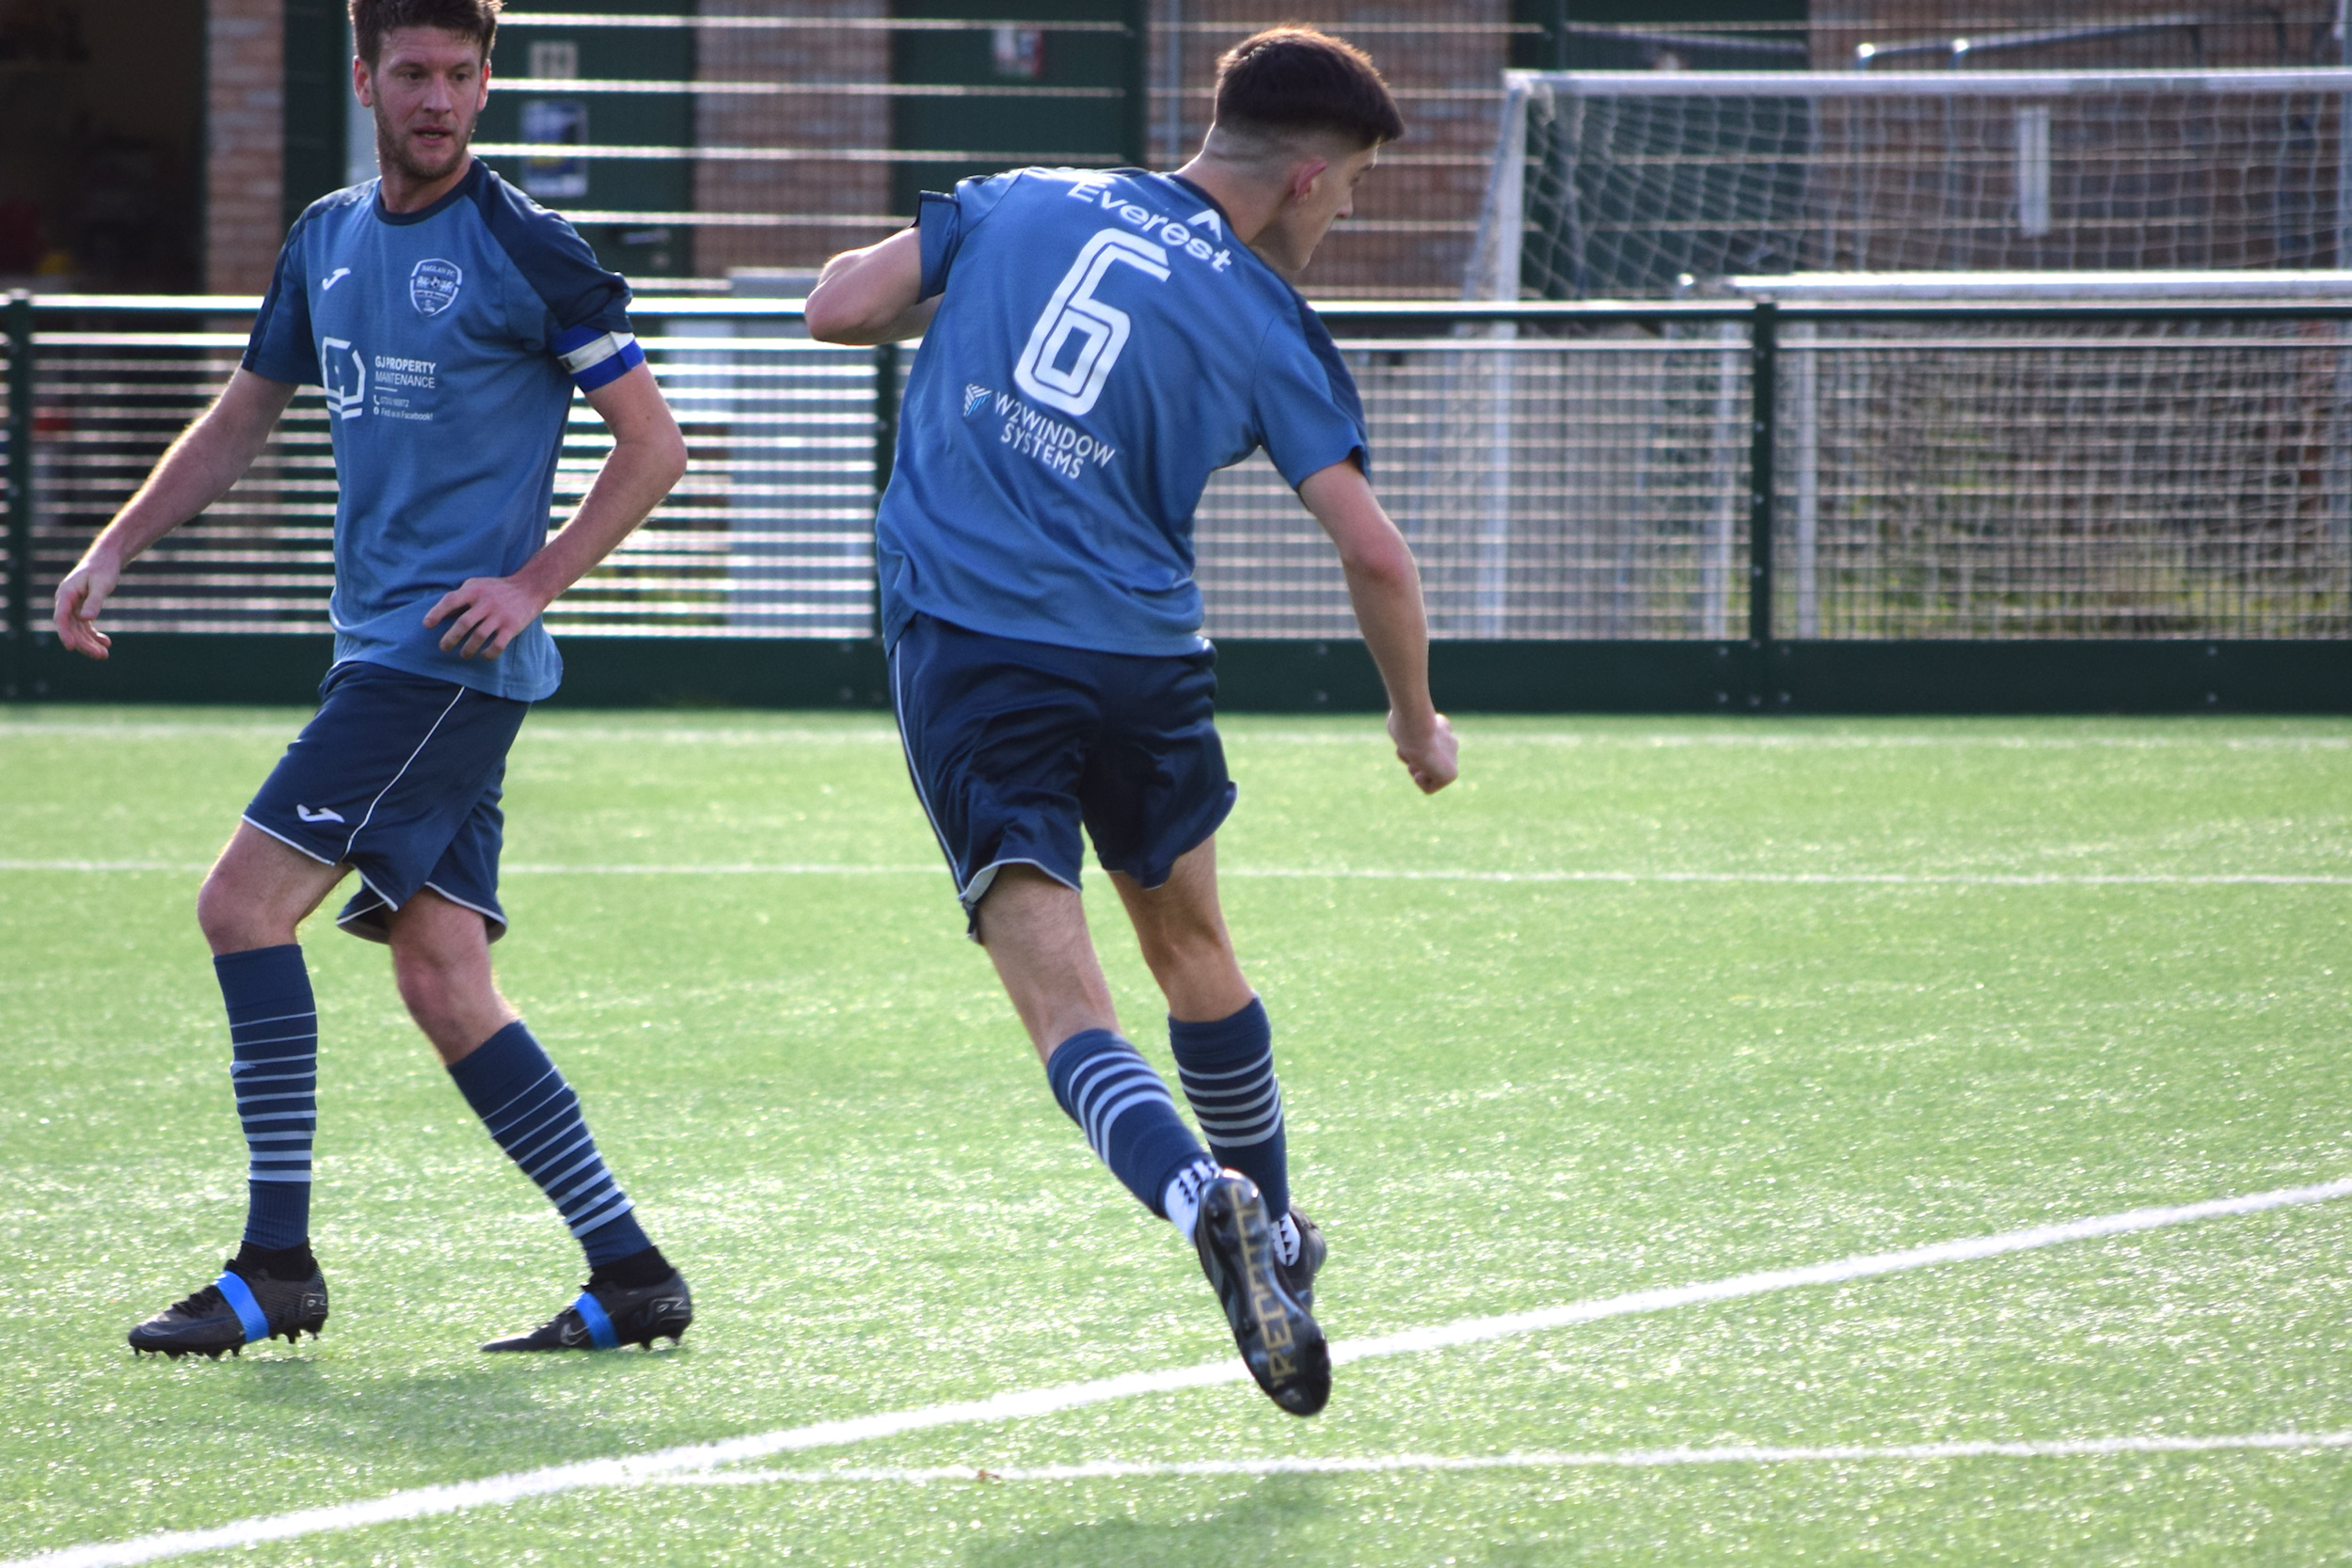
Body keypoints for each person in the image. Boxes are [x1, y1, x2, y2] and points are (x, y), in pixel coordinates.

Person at [804, 26, 1458, 1417]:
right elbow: (1377, 554)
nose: (1340, 214)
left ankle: (1200, 1201)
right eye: (1347, 188)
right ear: (1297, 177)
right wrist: (1417, 721)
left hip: (976, 647)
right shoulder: (1273, 322)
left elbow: (838, 309)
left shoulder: (1027, 193)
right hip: (1144, 663)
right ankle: (1274, 1231)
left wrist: (964, 294)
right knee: (1193, 946)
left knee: (1067, 1005)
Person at [56, 0, 695, 1359]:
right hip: (386, 655)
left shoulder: (529, 247)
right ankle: (633, 1274)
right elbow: (244, 415)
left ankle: (275, 1266)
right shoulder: (327, 240)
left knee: (242, 908)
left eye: (464, 75)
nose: (440, 100)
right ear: (364, 81)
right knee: (445, 978)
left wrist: (532, 581)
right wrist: (117, 542)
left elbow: (654, 448)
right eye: (414, 74)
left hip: (443, 664)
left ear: (485, 83)